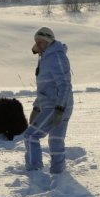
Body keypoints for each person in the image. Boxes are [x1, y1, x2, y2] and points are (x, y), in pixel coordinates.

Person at [24, 27, 74, 174]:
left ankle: (34, 171)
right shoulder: (45, 57)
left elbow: (64, 84)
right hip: (56, 105)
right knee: (55, 140)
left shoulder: (56, 56)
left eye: (41, 41)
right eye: (37, 42)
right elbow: (46, 88)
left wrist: (59, 108)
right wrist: (36, 107)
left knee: (31, 136)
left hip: (56, 106)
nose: (38, 44)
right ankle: (58, 173)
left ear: (48, 41)